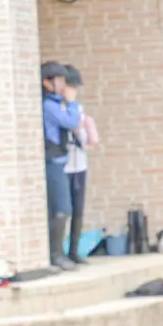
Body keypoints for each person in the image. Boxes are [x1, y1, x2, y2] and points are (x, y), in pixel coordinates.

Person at [40, 61, 82, 272]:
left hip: (59, 161)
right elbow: (72, 122)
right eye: (59, 81)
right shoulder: (49, 105)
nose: (63, 85)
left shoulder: (56, 103)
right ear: (47, 84)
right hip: (52, 163)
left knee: (60, 208)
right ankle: (55, 254)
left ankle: (58, 253)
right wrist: (72, 103)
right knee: (62, 209)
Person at [63, 64, 99, 266]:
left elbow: (86, 139)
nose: (73, 91)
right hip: (64, 164)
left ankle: (74, 250)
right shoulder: (60, 108)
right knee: (63, 209)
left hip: (79, 163)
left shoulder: (78, 110)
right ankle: (59, 251)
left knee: (78, 208)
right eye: (71, 86)